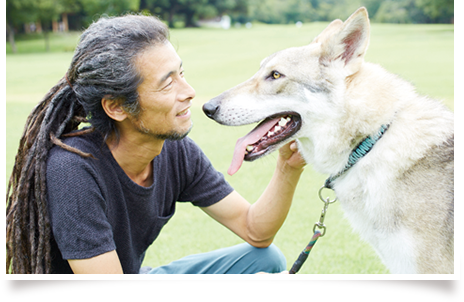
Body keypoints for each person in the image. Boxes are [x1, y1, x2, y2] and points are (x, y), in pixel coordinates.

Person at [6, 14, 305, 274]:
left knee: (266, 258)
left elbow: (256, 231)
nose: (189, 91)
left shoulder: (174, 151)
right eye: (167, 83)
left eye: (182, 73)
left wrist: (287, 168)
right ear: (117, 107)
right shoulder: (71, 169)